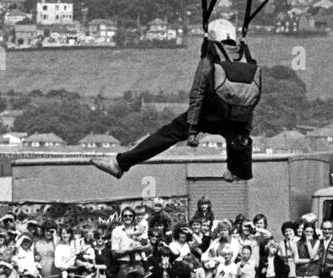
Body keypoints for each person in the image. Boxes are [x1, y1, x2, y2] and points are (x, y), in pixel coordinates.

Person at [91, 18, 260, 181]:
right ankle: (237, 171)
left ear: (213, 37)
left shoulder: (210, 59)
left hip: (211, 114)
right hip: (238, 117)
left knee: (168, 134)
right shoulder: (247, 58)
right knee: (237, 137)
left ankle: (120, 164)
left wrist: (192, 128)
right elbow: (251, 96)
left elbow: (198, 93)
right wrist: (245, 129)